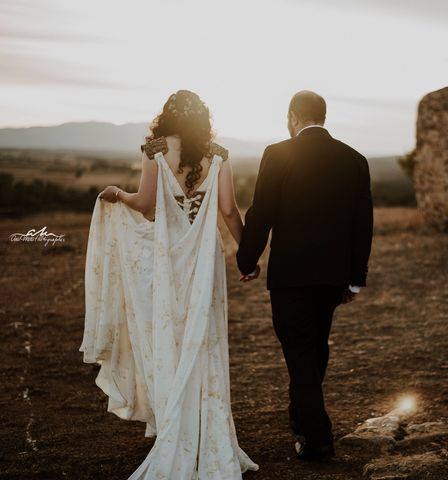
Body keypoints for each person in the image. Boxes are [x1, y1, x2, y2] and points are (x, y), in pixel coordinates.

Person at [79, 90, 259, 479]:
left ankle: (178, 429)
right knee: (204, 340)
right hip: (204, 263)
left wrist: (118, 194)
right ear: (203, 120)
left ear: (167, 118)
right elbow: (228, 210)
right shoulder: (220, 155)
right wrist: (248, 257)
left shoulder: (155, 151)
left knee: (173, 339)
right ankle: (205, 432)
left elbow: (145, 205)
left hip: (169, 261)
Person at [236, 90, 374, 461]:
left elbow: (261, 212)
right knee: (315, 349)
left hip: (291, 277)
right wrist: (355, 278)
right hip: (332, 278)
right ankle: (300, 417)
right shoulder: (354, 160)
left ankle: (318, 439)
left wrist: (247, 260)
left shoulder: (278, 154)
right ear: (322, 117)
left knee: (301, 355)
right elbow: (363, 225)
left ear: (294, 116)